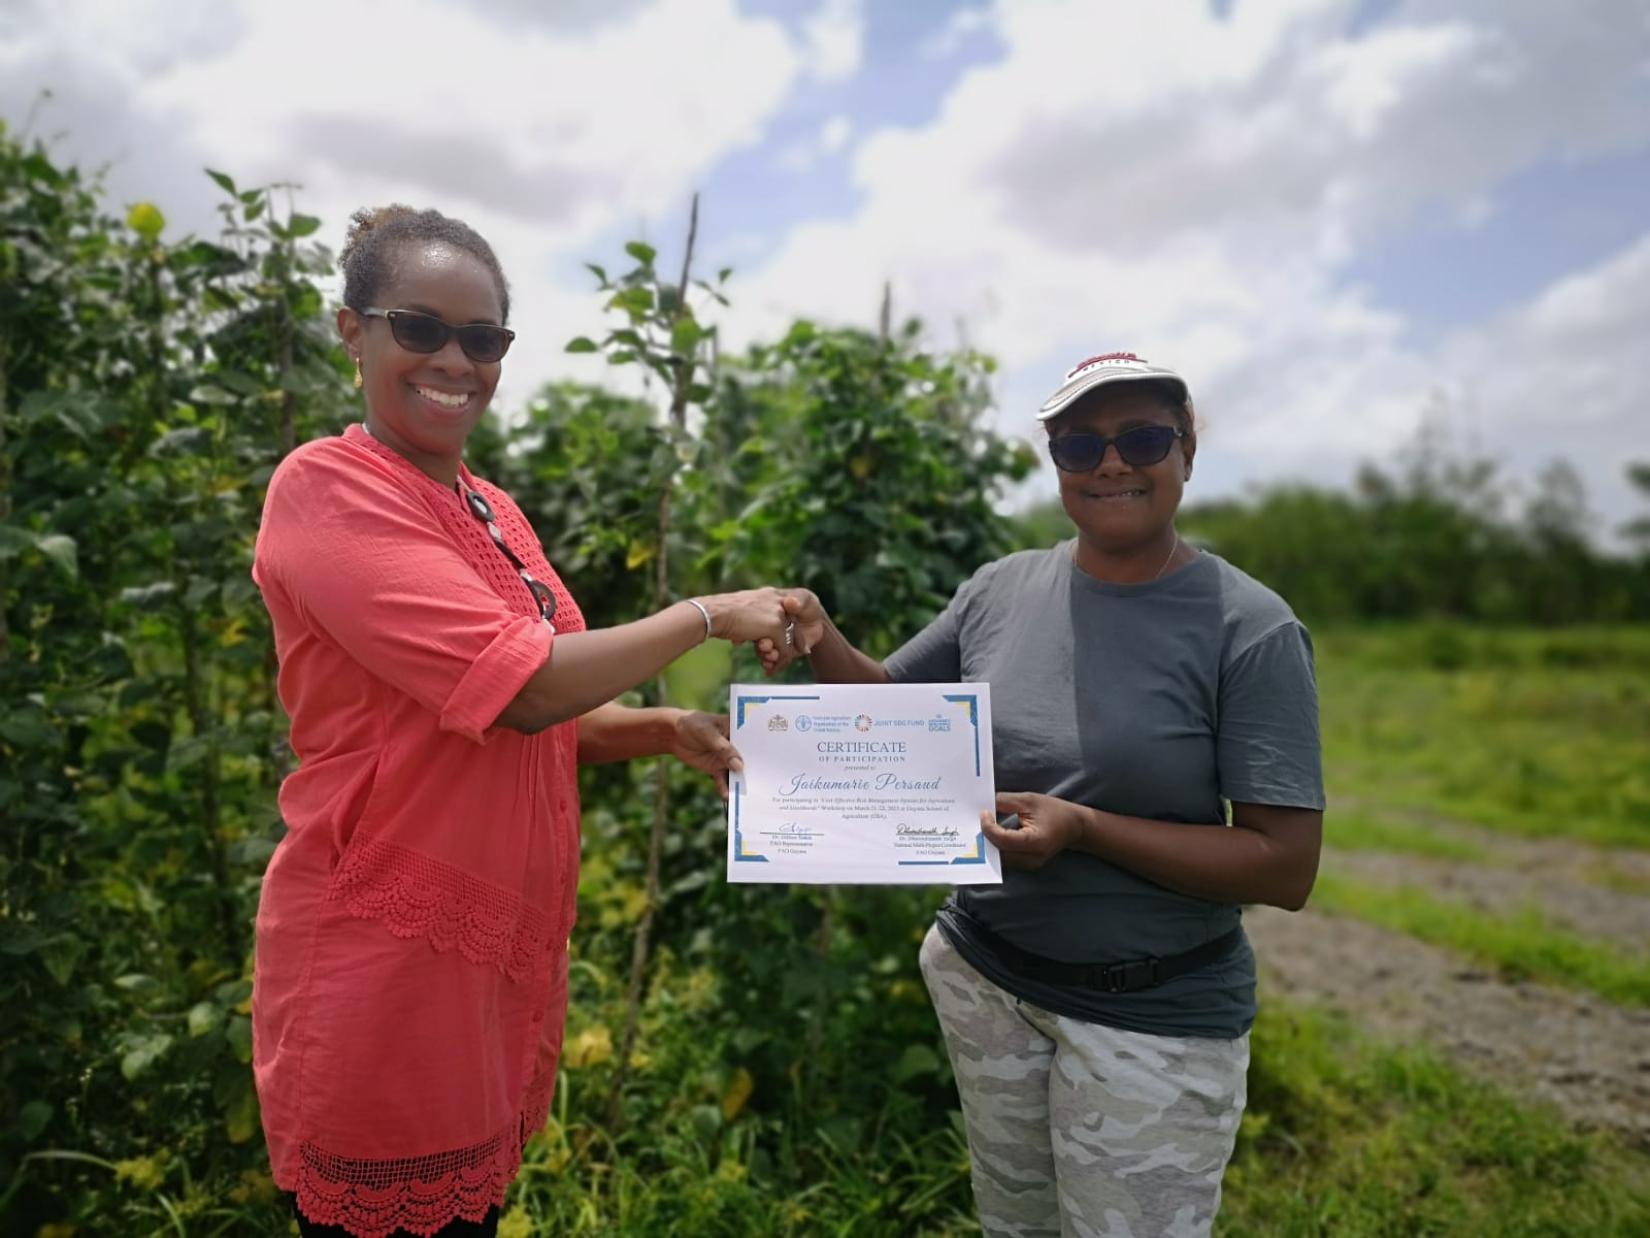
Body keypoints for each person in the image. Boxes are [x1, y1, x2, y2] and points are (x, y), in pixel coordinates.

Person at [251, 204, 793, 1238]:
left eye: (483, 338)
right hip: (388, 953)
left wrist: (661, 727)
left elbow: (521, 711)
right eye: (420, 328)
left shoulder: (492, 508)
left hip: (489, 953)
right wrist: (710, 614)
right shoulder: (326, 488)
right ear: (351, 329)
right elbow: (527, 685)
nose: (455, 358)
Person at [762, 352, 1325, 1237]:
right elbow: (893, 710)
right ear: (1055, 460)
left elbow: (1285, 865)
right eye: (1079, 444)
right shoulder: (1001, 588)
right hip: (988, 983)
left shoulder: (1248, 629)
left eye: (1143, 438)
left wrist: (1088, 829)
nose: (1111, 463)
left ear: (1187, 454)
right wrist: (823, 635)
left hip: (1150, 1022)